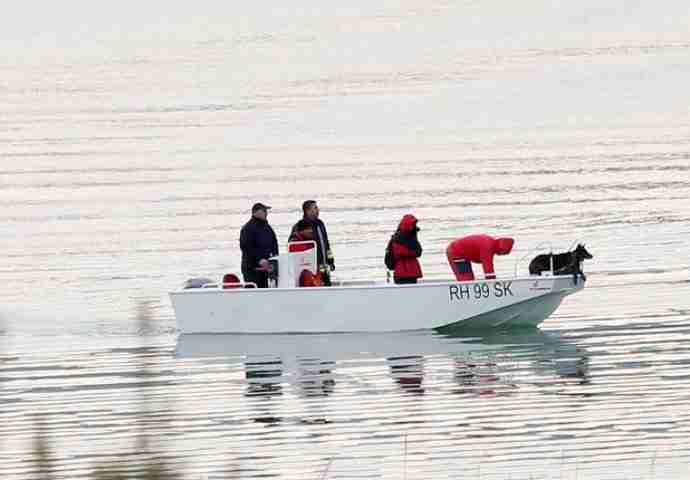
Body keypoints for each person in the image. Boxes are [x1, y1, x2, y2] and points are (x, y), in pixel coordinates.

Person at [291, 200, 334, 285]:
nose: (318, 210)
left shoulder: (320, 224)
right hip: (311, 267)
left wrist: (331, 260)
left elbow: (326, 243)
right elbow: (293, 246)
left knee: (327, 285)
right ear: (308, 211)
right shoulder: (301, 225)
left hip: (324, 265)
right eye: (315, 208)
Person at [239, 202, 279, 288]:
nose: (266, 213)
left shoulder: (267, 227)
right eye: (264, 211)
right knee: (253, 292)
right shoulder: (248, 228)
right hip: (252, 268)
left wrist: (275, 258)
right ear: (256, 213)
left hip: (266, 268)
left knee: (265, 290)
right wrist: (259, 260)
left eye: (266, 211)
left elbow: (274, 243)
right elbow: (246, 247)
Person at [446, 234, 514, 281]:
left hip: (462, 253)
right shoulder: (488, 247)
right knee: (465, 278)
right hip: (455, 252)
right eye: (503, 253)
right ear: (501, 249)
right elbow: (488, 269)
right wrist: (493, 284)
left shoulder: (491, 243)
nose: (500, 255)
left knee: (469, 279)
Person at [387, 214, 423, 284]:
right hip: (403, 272)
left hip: (408, 271)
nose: (413, 227)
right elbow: (400, 252)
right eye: (412, 224)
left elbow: (418, 252)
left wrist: (414, 252)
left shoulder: (410, 236)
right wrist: (413, 252)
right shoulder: (399, 238)